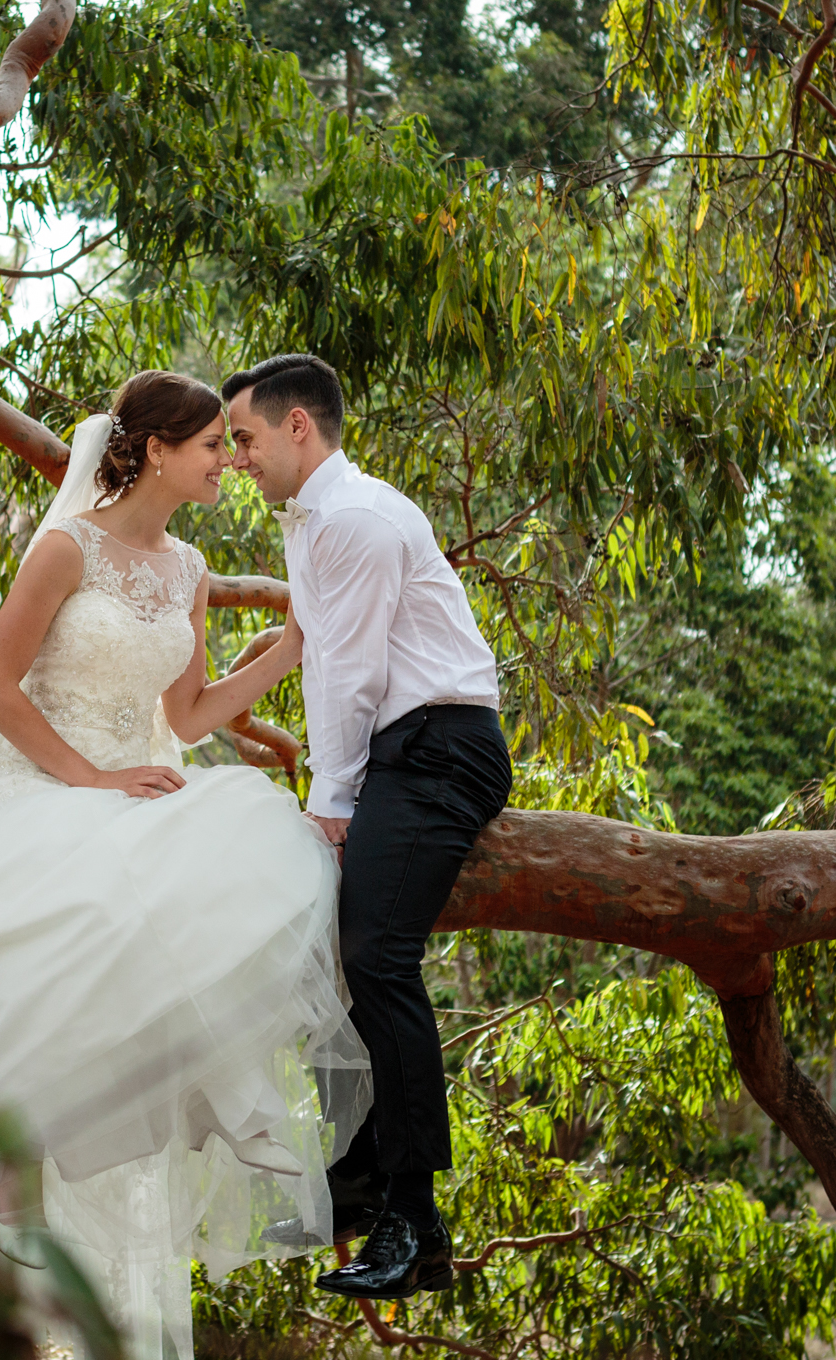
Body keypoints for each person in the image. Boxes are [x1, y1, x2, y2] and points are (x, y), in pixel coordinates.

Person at [0, 370, 368, 1360]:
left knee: (239, 886)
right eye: (213, 444)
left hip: (142, 792)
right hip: (48, 799)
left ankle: (115, 1287)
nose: (227, 460)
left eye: (230, 444)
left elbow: (189, 717)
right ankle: (11, 1268)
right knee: (46, 1042)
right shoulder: (62, 547)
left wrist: (284, 654)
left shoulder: (189, 568)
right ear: (157, 450)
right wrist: (90, 780)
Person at [221, 354, 512, 1301]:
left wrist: (330, 805)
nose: (237, 459)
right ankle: (352, 1193)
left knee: (378, 955)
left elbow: (349, 679)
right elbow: (324, 669)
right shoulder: (314, 524)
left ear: (298, 426)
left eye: (246, 439)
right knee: (319, 950)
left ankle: (414, 1214)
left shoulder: (352, 519)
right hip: (398, 749)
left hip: (440, 746)